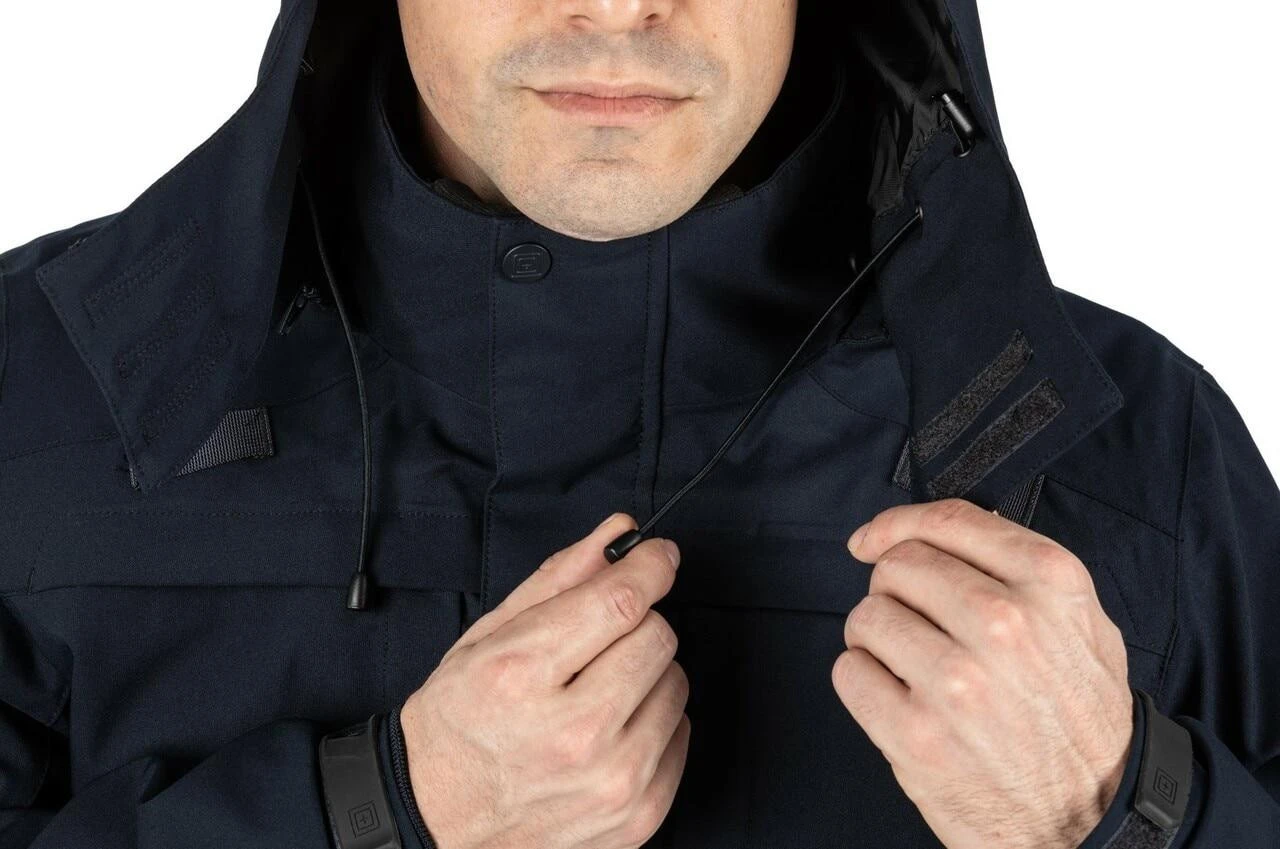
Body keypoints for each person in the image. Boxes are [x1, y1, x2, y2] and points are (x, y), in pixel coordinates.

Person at [1, 0, 1276, 847]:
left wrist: (1115, 811)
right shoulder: (42, 388)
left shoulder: (1123, 450)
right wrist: (373, 813)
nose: (615, 9)